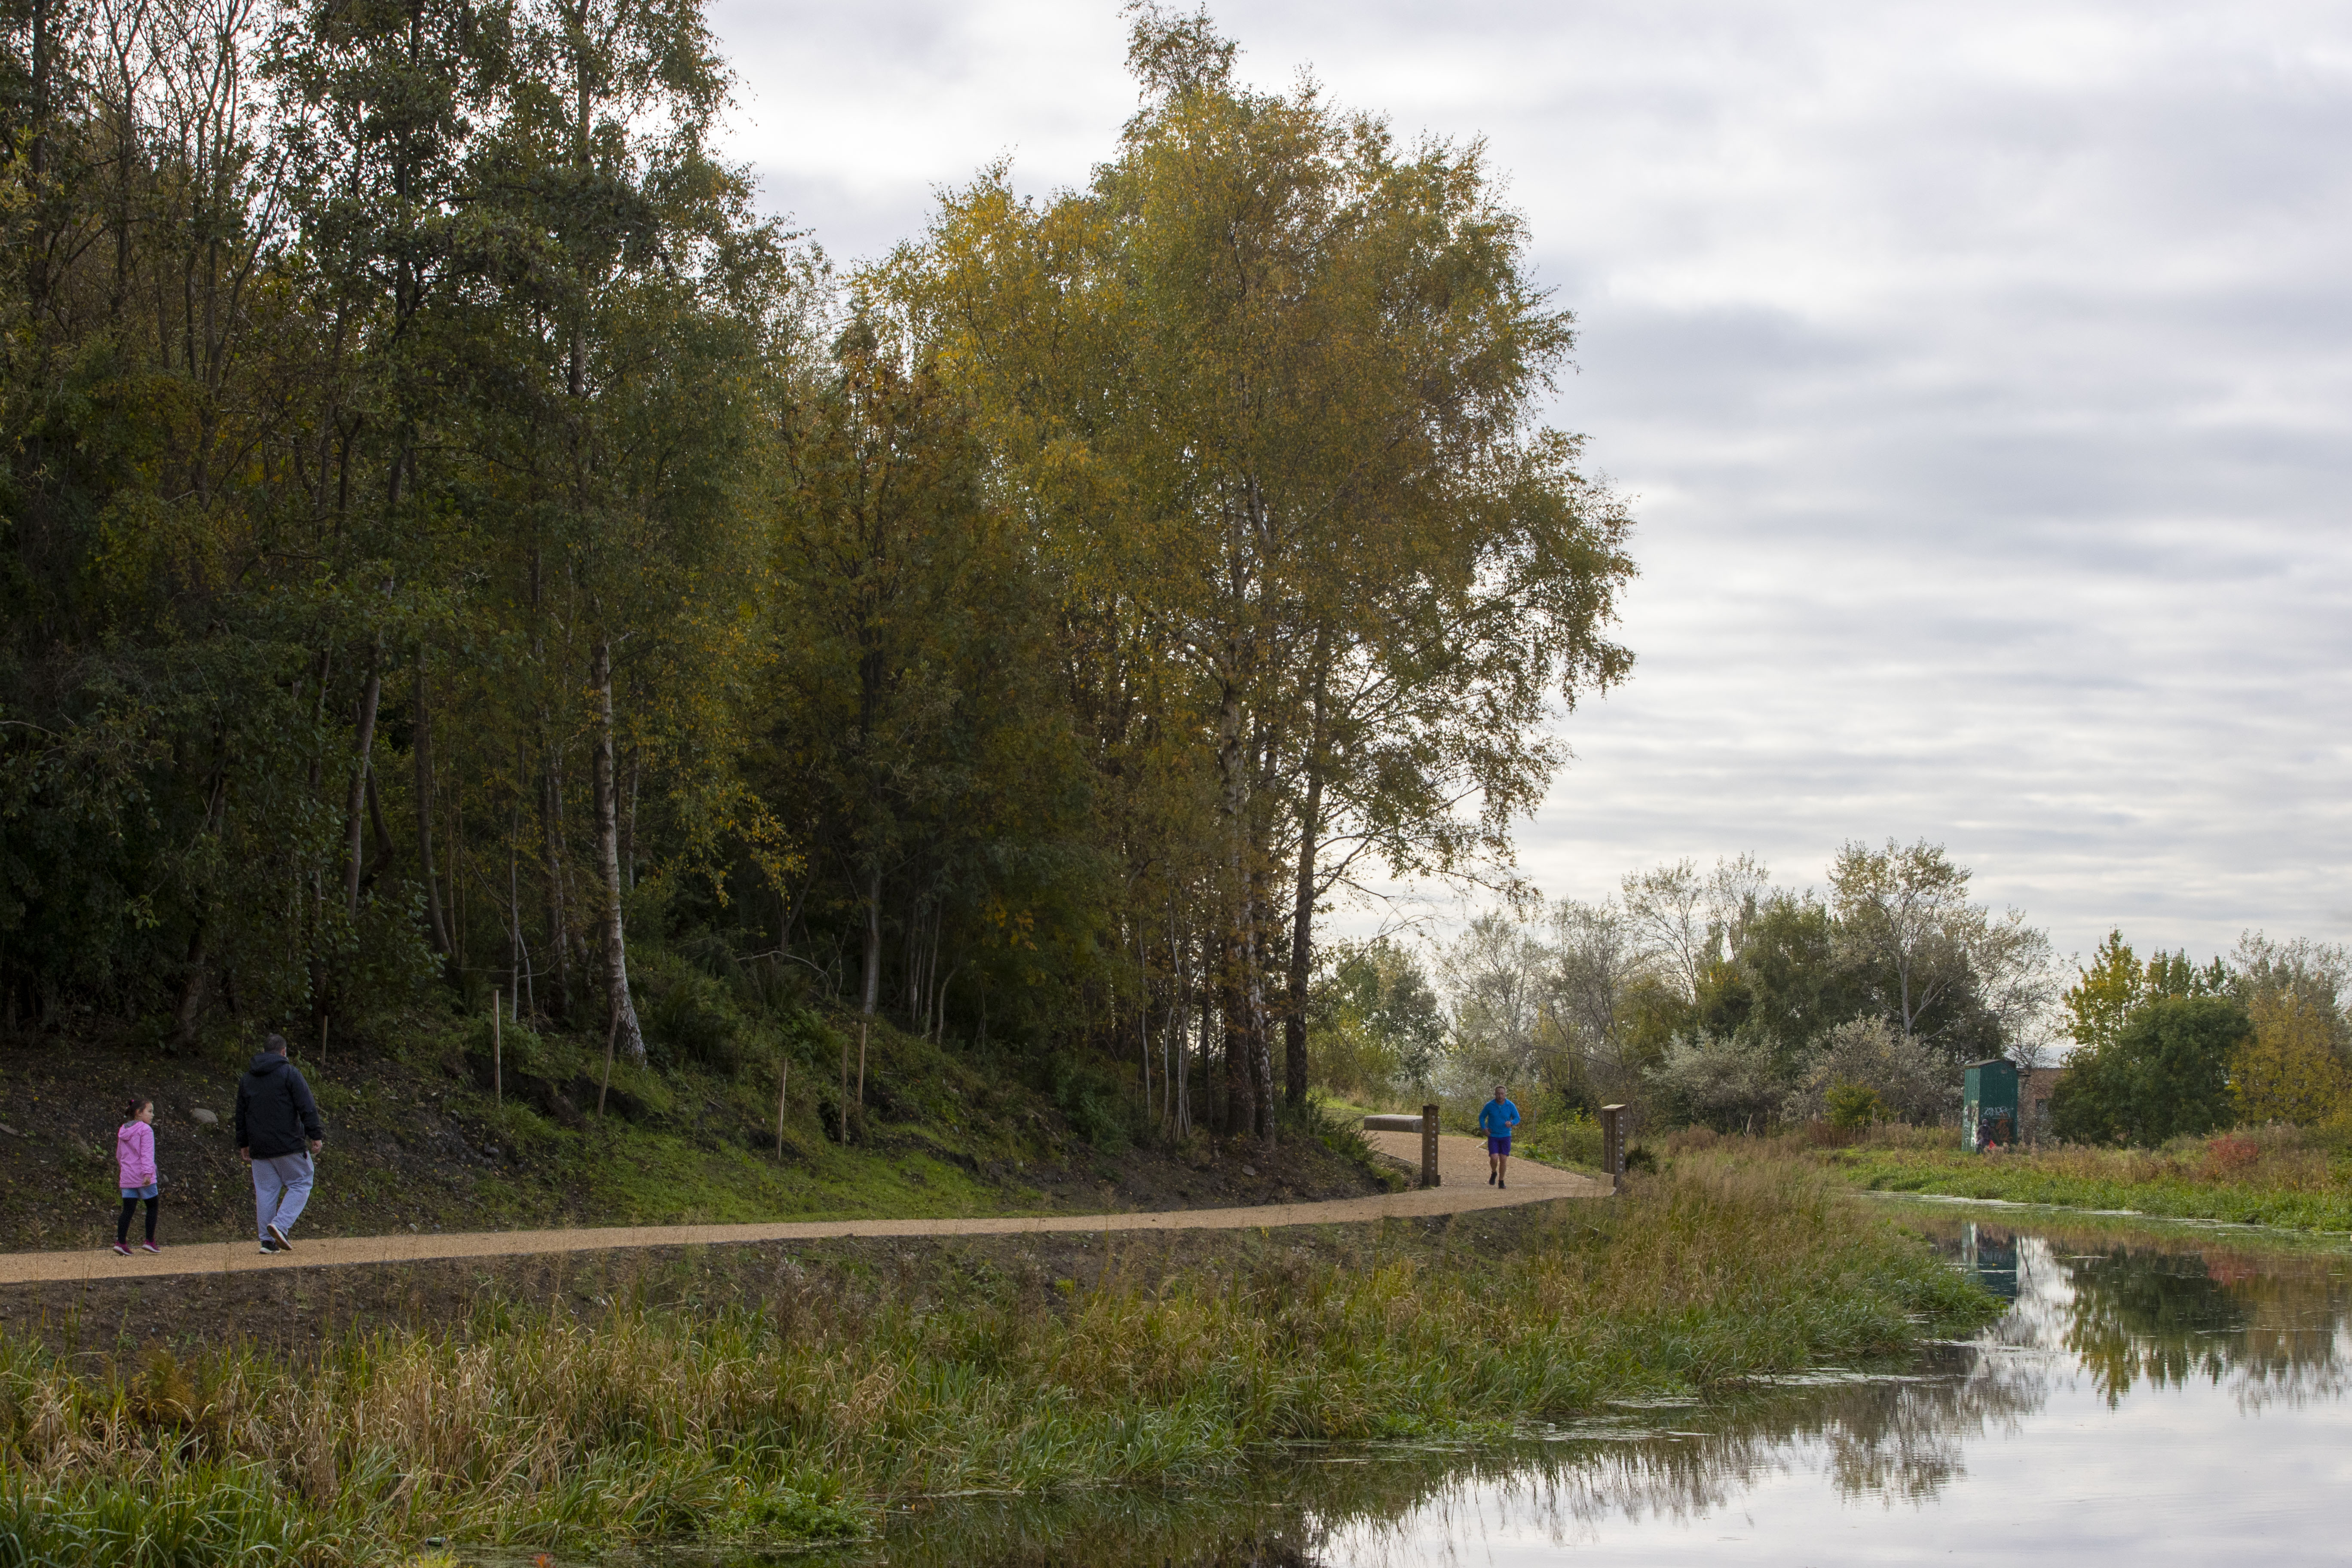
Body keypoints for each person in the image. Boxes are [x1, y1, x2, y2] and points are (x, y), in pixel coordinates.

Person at [234, 1032, 325, 1255]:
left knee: (266, 1191)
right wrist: (315, 1135)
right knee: (302, 1181)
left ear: (264, 1052)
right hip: (288, 1144)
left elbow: (241, 1114)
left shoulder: (247, 1079)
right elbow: (306, 1105)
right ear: (284, 1052)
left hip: (259, 1146)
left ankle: (267, 1242)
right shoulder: (290, 1073)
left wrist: (243, 1143)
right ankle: (281, 1226)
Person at [112, 1097, 161, 1255]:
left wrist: (125, 1169)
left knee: (128, 1210)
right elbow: (147, 1154)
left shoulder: (123, 1130)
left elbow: (119, 1155)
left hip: (127, 1177)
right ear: (139, 1113)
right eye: (150, 1111)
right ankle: (149, 1241)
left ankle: (121, 1243)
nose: (152, 1115)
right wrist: (148, 1173)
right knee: (153, 1206)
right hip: (143, 1176)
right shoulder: (145, 1130)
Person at [1477, 1084, 1520, 1189]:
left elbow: (1517, 1118)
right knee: (1494, 1158)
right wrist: (1484, 1128)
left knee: (1504, 1159)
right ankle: (1494, 1172)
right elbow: (1482, 1117)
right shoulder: (1490, 1105)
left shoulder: (1510, 1105)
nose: (1500, 1096)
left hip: (1506, 1136)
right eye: (1498, 1094)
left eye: (1502, 1094)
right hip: (1493, 1136)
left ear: (1505, 1094)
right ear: (1495, 1094)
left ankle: (1501, 1181)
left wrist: (1512, 1122)